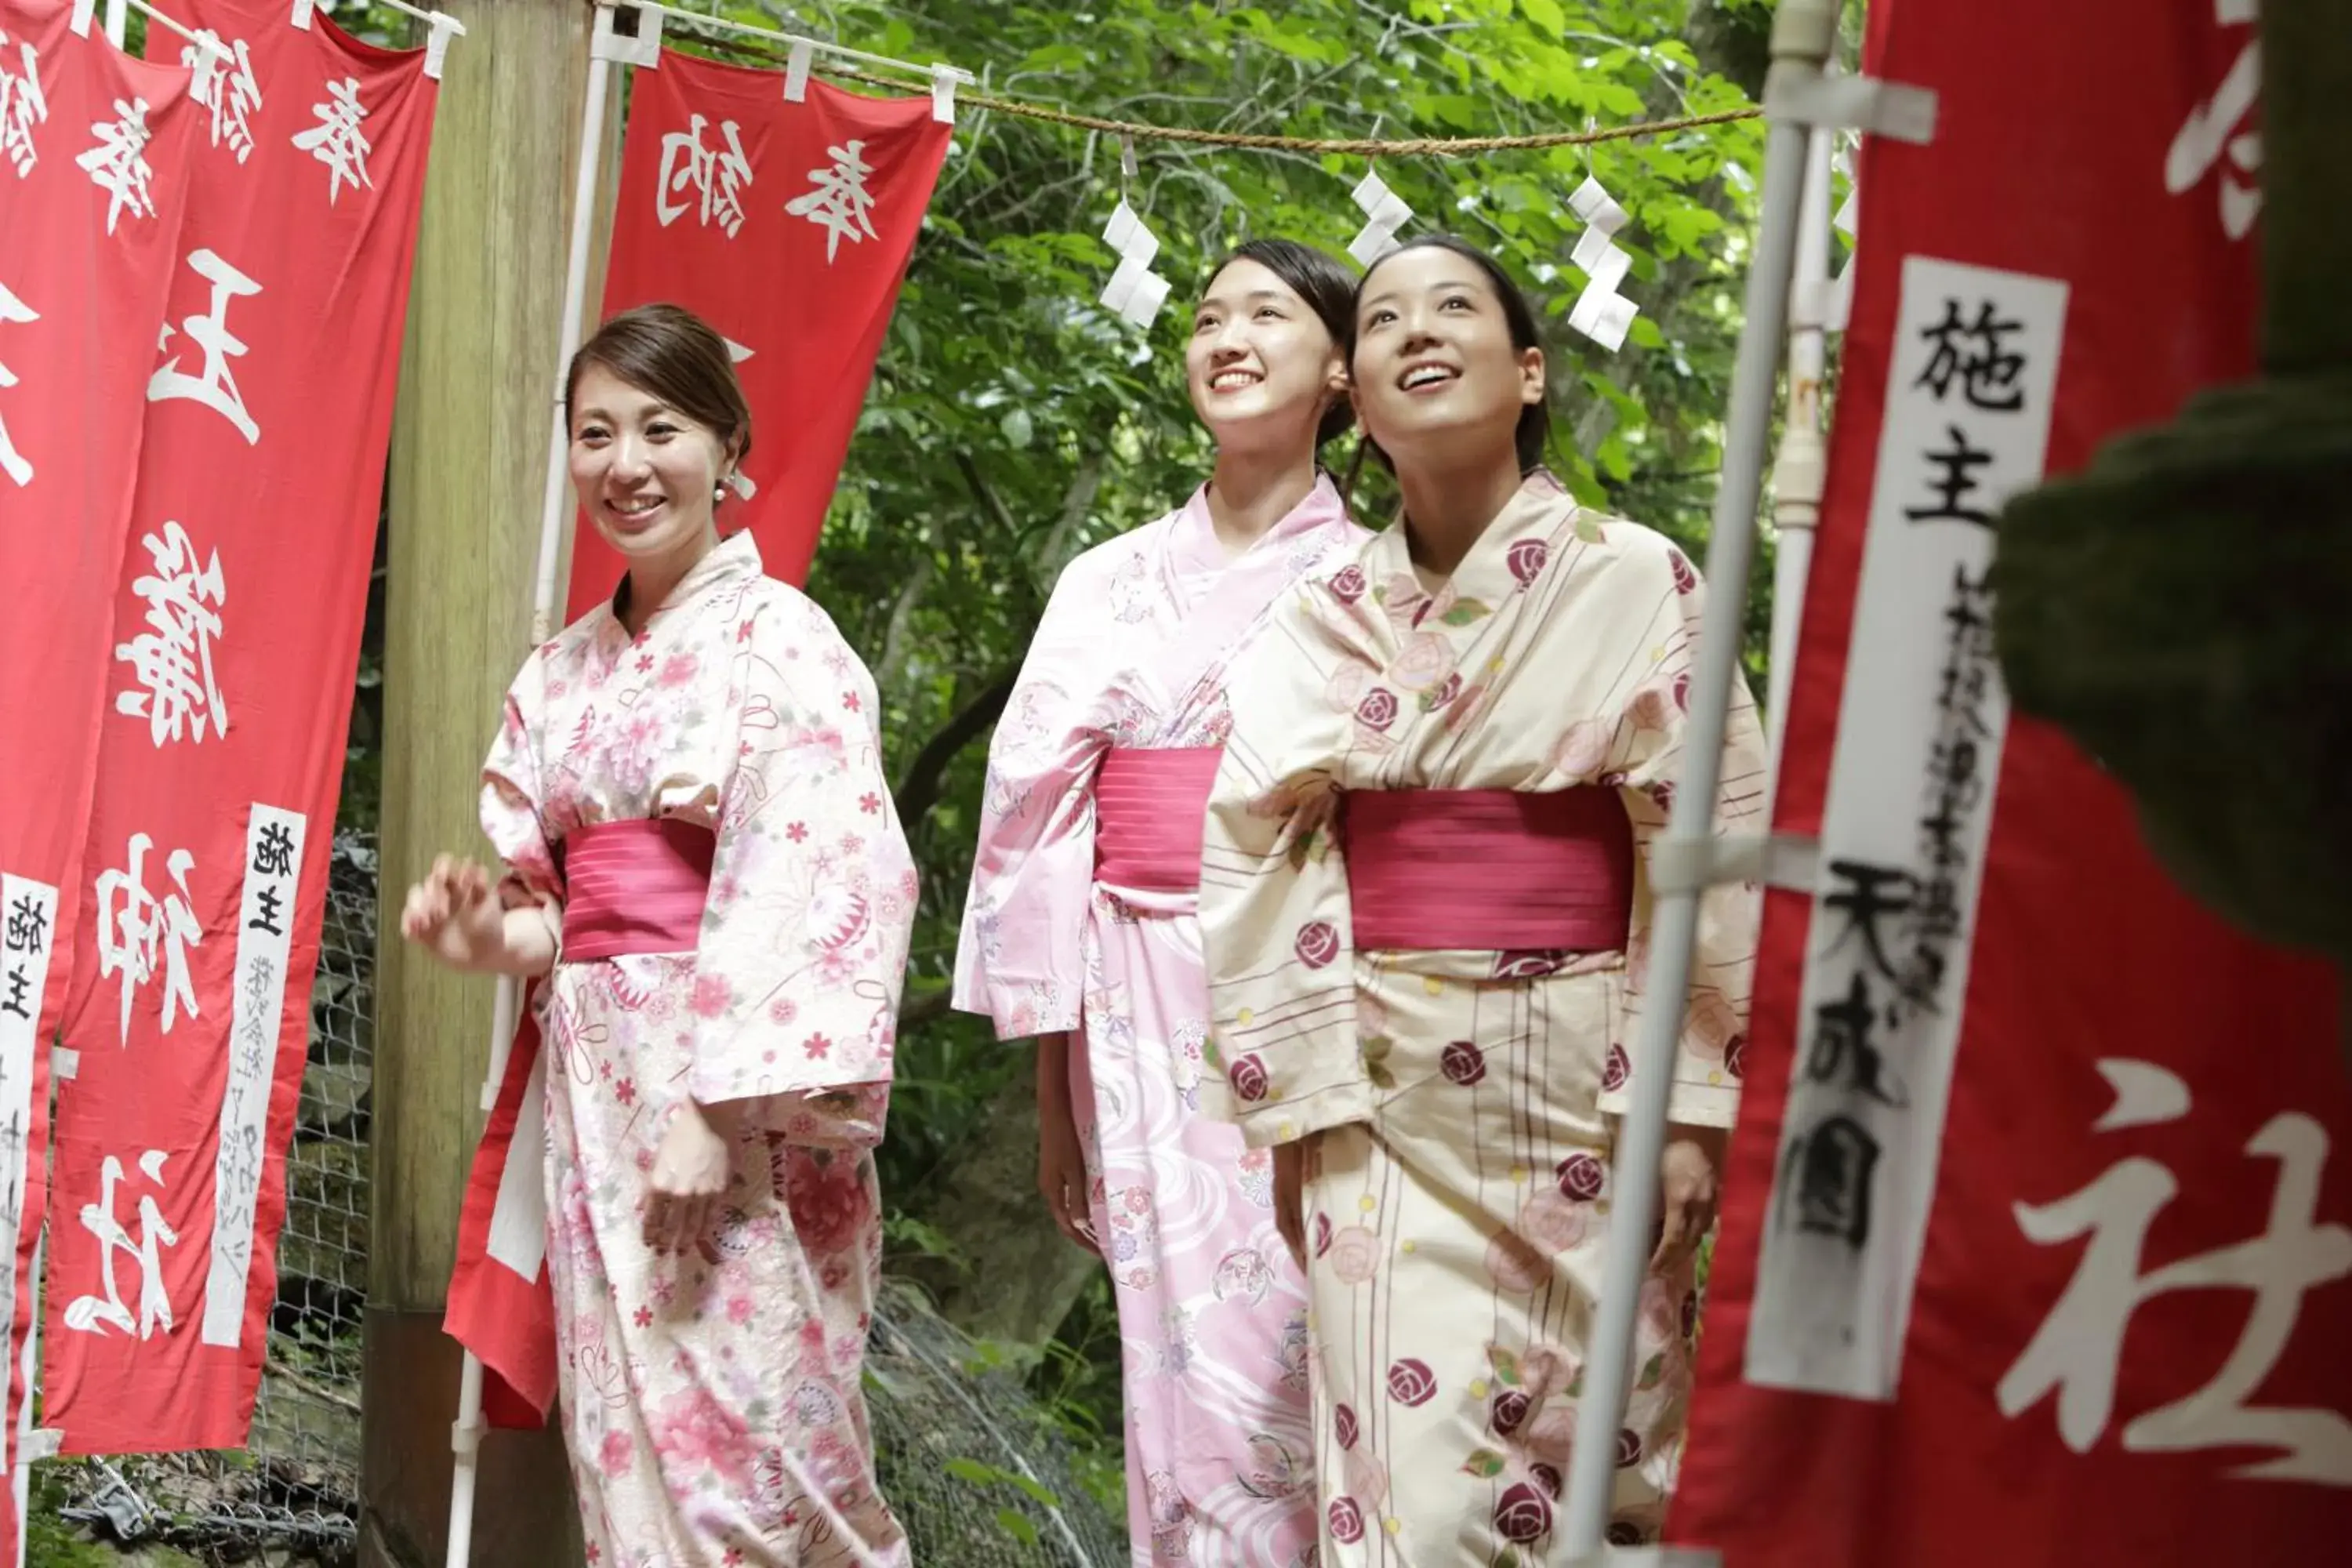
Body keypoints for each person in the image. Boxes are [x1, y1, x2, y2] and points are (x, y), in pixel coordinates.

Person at [1194, 236, 1766, 1561]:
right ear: (1358, 392)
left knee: (1611, 1474)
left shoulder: (1640, 578)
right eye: (1384, 318)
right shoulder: (1320, 614)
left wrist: (1691, 1105)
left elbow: (1716, 838)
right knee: (1412, 1507)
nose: (1416, 331)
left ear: (1530, 371)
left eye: (1455, 307)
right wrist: (1294, 1100)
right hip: (1378, 1095)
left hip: (1591, 1089)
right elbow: (1257, 863)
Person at [399, 303, 916, 1568]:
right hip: (598, 1102)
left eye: (661, 428)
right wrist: (492, 942)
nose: (626, 463)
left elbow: (827, 886)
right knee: (631, 1457)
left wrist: (718, 1108)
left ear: (727, 448)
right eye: (596, 434)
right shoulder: (559, 675)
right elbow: (562, 918)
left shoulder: (782, 645)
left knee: (761, 1458)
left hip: (735, 1108)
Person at [954, 239, 1369, 1566]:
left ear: (1343, 372)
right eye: (1207, 318)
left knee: (1297, 1350)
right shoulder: (1107, 580)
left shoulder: (1379, 581)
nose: (1227, 337)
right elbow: (1036, 822)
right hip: (1130, 997)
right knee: (1170, 1367)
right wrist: (1049, 1093)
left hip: (1307, 992)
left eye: (1267, 315)